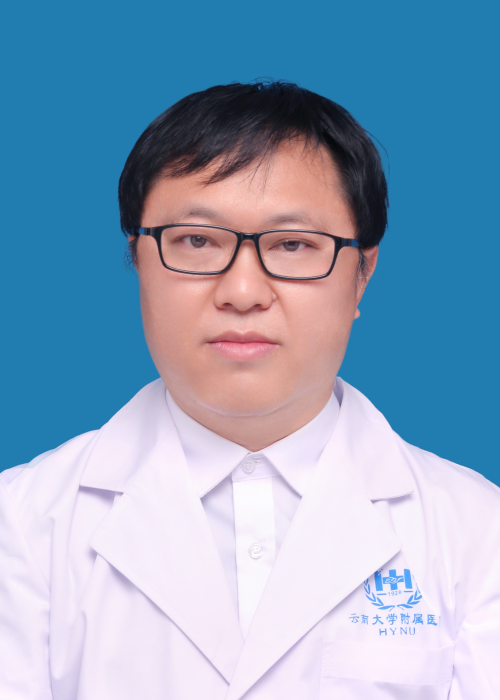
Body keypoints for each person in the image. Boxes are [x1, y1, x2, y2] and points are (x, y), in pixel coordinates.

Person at [1, 81, 499, 700]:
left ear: (363, 274)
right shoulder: (22, 525)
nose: (242, 292)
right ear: (138, 260)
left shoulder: (478, 534)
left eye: (292, 245)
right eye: (196, 241)